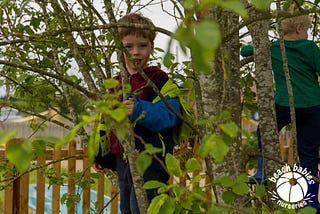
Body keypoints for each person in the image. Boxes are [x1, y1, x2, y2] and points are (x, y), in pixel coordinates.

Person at [93, 13, 182, 214]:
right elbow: (106, 122)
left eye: (142, 45)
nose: (136, 52)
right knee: (126, 208)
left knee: (141, 208)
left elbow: (170, 115)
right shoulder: (115, 84)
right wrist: (101, 154)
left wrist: (140, 109)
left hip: (151, 159)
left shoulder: (159, 80)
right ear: (119, 49)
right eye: (128, 47)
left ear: (151, 47)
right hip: (123, 161)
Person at [241, 13, 320, 210]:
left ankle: (262, 171)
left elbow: (245, 51)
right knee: (308, 153)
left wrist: (261, 44)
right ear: (300, 29)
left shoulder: (275, 47)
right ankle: (310, 201)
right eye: (308, 29)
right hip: (313, 105)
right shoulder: (310, 48)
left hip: (284, 103)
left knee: (264, 133)